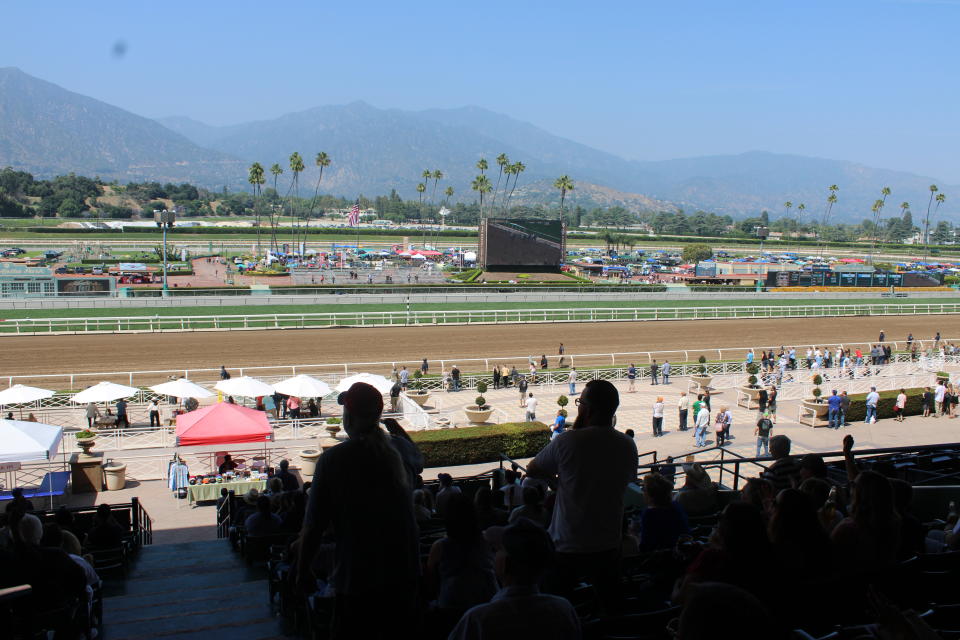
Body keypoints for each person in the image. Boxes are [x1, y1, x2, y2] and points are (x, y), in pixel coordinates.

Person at [296, 382, 419, 639]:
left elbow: (314, 525)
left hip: (356, 578)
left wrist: (302, 569)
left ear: (348, 417)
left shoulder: (334, 459)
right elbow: (418, 458)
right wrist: (398, 430)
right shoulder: (400, 448)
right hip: (404, 575)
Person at [527, 379, 637, 604]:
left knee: (556, 607)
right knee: (611, 609)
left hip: (568, 545)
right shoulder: (627, 444)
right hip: (609, 544)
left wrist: (555, 481)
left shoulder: (568, 441)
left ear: (587, 409)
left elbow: (532, 469)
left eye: (580, 402)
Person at [448, 519, 580, 640]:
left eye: (497, 550)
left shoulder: (477, 619)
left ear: (506, 563)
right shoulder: (563, 609)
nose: (494, 554)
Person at [426, 493, 498, 609]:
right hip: (489, 601)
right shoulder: (487, 540)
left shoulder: (440, 546)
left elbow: (430, 582)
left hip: (452, 606)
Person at [635, 473, 689, 552]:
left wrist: (634, 535)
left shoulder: (649, 514)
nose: (643, 492)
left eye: (644, 489)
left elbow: (645, 547)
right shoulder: (676, 507)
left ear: (651, 495)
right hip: (678, 554)